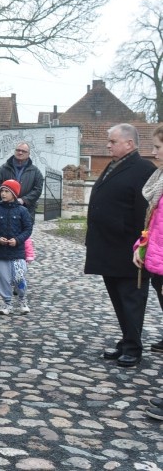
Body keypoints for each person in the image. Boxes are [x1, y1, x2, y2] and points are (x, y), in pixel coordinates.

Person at [87, 123, 156, 369]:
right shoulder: (116, 163)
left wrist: (141, 246)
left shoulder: (143, 169)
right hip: (108, 247)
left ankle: (133, 348)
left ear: (129, 143)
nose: (108, 145)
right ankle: (127, 340)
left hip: (129, 249)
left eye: (112, 141)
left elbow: (145, 213)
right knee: (118, 298)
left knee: (131, 299)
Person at [133, 124, 163, 356]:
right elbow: (153, 223)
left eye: (158, 147)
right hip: (157, 257)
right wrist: (141, 247)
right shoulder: (159, 180)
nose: (154, 152)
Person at [0, 179, 33, 316]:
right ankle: (7, 303)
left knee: (19, 278)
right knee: (2, 279)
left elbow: (28, 229)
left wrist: (18, 240)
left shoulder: (22, 211)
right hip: (1, 252)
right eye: (2, 191)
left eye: (7, 191)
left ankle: (22, 299)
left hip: (17, 252)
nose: (3, 193)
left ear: (14, 193)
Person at [0, 142, 43, 221]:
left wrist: (24, 199)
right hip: (5, 210)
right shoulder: (4, 168)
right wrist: (5, 198)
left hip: (26, 210)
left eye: (23, 151)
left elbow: (38, 189)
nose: (20, 152)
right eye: (18, 150)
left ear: (28, 154)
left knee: (25, 232)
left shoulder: (35, 171)